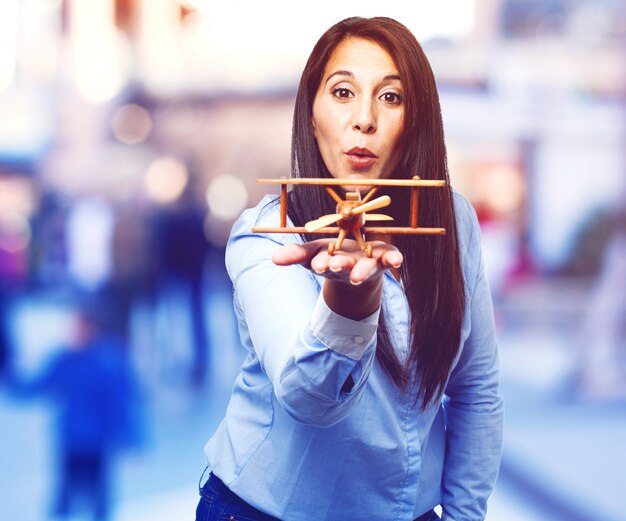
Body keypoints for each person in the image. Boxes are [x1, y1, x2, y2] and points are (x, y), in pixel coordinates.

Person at [196, 16, 503, 521]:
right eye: (342, 92)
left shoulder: (455, 222)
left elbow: (477, 390)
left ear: (416, 119)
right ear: (311, 114)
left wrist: (466, 515)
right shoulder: (267, 234)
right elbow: (310, 399)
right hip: (266, 510)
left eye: (390, 97)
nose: (364, 119)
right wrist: (351, 304)